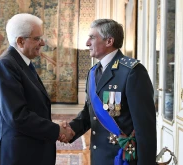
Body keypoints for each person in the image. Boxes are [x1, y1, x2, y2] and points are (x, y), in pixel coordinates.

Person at [60, 19, 157, 165]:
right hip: (99, 157)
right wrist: (70, 130)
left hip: (123, 157)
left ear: (109, 41)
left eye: (92, 37)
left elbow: (145, 129)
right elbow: (89, 115)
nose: (87, 43)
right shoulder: (93, 73)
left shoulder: (132, 72)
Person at [0, 13, 75, 165]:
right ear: (20, 41)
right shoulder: (5, 65)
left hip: (31, 150)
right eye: (37, 38)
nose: (42, 43)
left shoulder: (22, 62)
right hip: (18, 154)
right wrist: (57, 130)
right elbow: (17, 116)